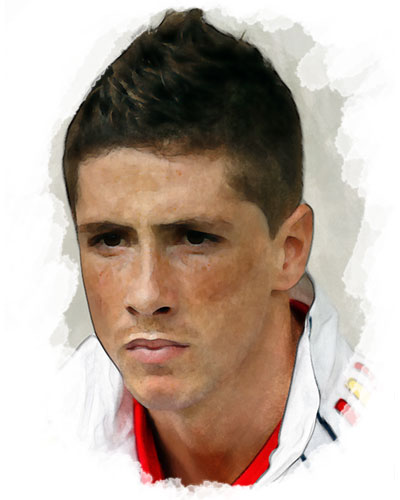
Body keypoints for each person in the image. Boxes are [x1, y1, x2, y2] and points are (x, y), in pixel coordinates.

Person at [59, 8, 369, 487]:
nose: (145, 295)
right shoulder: (36, 438)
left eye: (194, 238)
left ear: (289, 250)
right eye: (110, 240)